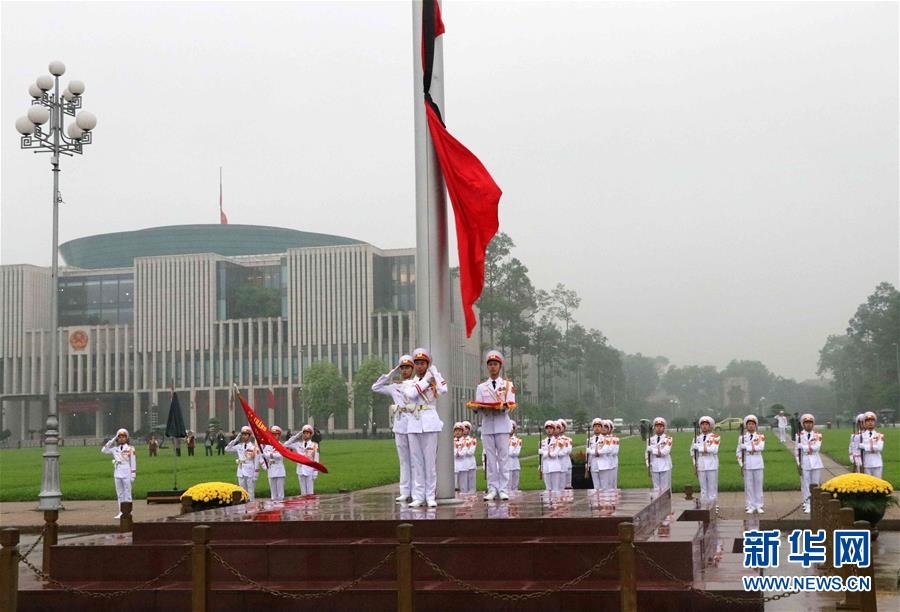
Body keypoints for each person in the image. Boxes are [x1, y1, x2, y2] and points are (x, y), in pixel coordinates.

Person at [469, 350, 516, 501]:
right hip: (488, 424)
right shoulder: (482, 387)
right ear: (487, 367)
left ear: (500, 366)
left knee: (503, 457)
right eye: (490, 365)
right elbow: (478, 405)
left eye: (495, 364)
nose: (493, 367)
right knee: (490, 458)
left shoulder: (508, 385)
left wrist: (502, 407)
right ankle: (492, 488)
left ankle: (503, 488)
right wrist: (477, 408)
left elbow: (510, 405)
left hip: (502, 424)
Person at [402, 348, 447, 508]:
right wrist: (426, 380)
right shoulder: (410, 382)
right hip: (414, 423)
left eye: (423, 363)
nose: (420, 366)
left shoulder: (433, 378)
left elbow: (443, 389)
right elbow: (411, 394)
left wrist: (434, 373)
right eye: (417, 363)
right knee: (417, 462)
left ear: (428, 364)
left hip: (430, 422)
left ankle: (430, 495)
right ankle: (418, 496)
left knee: (429, 462)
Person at [372, 355, 416, 503]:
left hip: (414, 424)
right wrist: (391, 373)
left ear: (413, 369)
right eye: (402, 368)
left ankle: (416, 491)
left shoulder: (417, 384)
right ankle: (405, 491)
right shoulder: (394, 386)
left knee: (415, 460)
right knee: (404, 461)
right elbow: (375, 387)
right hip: (400, 425)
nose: (404, 371)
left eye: (407, 367)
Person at [102, 428, 136, 518]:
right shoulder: (115, 449)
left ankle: (128, 511)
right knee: (120, 493)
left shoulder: (130, 449)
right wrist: (112, 439)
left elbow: (133, 462)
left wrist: (133, 474)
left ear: (126, 438)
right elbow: (104, 450)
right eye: (119, 437)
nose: (121, 438)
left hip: (127, 472)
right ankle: (121, 511)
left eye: (123, 437)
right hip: (117, 472)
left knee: (127, 492)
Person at [737, 415, 765, 514]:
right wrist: (741, 464)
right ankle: (750, 505)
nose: (751, 426)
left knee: (758, 484)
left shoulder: (760, 436)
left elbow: (761, 447)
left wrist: (747, 447)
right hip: (747, 462)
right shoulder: (742, 438)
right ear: (746, 426)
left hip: (758, 462)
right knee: (748, 485)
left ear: (755, 425)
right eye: (749, 424)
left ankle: (759, 505)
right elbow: (738, 452)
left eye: (752, 424)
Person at [225, 426, 261, 501]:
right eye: (243, 434)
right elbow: (227, 449)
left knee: (250, 490)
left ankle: (251, 506)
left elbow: (257, 461)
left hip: (250, 470)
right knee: (242, 490)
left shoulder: (254, 447)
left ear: (249, 435)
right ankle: (243, 505)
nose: (244, 436)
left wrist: (256, 474)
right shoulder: (239, 446)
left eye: (246, 434)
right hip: (241, 470)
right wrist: (236, 439)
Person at [691, 416, 720, 507]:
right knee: (703, 487)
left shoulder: (715, 437)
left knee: (712, 487)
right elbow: (692, 452)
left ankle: (713, 506)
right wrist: (695, 464)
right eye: (702, 424)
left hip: (711, 462)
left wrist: (699, 448)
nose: (704, 426)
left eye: (706, 425)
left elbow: (713, 449)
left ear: (710, 426)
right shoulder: (696, 438)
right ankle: (704, 505)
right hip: (701, 463)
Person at [796, 414, 823, 513]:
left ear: (813, 424)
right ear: (803, 424)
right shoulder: (799, 435)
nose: (808, 425)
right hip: (805, 461)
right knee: (805, 484)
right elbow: (796, 452)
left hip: (816, 461)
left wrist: (803, 447)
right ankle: (807, 503)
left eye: (810, 423)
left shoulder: (818, 435)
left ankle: (815, 503)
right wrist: (798, 463)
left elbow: (817, 448)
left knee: (815, 483)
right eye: (806, 423)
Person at [286, 424, 320, 495]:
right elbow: (286, 445)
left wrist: (315, 473)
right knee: (303, 493)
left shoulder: (314, 445)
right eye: (304, 433)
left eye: (307, 433)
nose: (305, 435)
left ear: (311, 435)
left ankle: (310, 506)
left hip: (309, 470)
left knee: (310, 492)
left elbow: (316, 460)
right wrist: (296, 436)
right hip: (300, 470)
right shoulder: (298, 444)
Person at [646, 417, 673, 493]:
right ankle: (658, 504)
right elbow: (647, 454)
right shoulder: (650, 440)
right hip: (654, 465)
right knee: (656, 488)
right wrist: (648, 465)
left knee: (665, 489)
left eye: (661, 426)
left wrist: (653, 450)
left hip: (665, 466)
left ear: (664, 427)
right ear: (654, 428)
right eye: (657, 426)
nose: (659, 428)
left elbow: (665, 451)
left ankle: (666, 504)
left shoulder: (668, 438)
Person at [261, 425, 287, 501]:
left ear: (279, 435)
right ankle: (274, 509)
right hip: (271, 469)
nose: (274, 436)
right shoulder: (267, 447)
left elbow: (279, 456)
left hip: (279, 470)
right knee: (273, 494)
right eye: (272, 434)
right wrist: (264, 464)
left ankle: (280, 509)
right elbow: (262, 456)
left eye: (275, 434)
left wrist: (269, 455)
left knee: (280, 494)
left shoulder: (281, 445)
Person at [539, 420, 563, 491]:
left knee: (555, 489)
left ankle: (556, 502)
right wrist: (541, 466)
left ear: (554, 430)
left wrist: (544, 453)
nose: (549, 430)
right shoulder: (542, 442)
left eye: (551, 428)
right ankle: (549, 502)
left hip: (555, 467)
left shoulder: (558, 441)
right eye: (547, 428)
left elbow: (554, 454)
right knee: (548, 488)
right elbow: (541, 457)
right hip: (546, 467)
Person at [859, 411, 884, 478]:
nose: (870, 422)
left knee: (878, 484)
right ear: (864, 423)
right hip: (866, 463)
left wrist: (864, 447)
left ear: (875, 423)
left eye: (872, 421)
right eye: (868, 421)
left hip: (877, 463)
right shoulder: (861, 436)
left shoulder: (879, 435)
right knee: (867, 485)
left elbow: (879, 448)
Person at [461, 421, 477, 493]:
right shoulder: (457, 440)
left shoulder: (472, 440)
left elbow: (471, 452)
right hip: (461, 463)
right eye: (463, 429)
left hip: (470, 463)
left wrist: (462, 452)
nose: (465, 430)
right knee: (462, 482)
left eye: (466, 429)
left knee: (471, 481)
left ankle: (472, 493)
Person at [557, 419, 573, 489]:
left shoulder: (567, 439)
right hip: (556, 463)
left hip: (566, 462)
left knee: (567, 484)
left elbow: (568, 451)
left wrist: (557, 453)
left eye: (562, 426)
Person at [507, 421, 522, 492]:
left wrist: (509, 451)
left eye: (512, 428)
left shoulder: (517, 440)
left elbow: (516, 453)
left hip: (515, 464)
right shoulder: (502, 440)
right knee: (507, 485)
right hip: (505, 465)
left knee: (515, 485)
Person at [453, 423, 466, 492]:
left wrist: (459, 453)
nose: (457, 432)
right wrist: (455, 453)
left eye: (459, 430)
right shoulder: (451, 441)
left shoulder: (465, 441)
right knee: (454, 483)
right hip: (455, 463)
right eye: (456, 430)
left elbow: (465, 451)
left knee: (463, 483)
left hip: (463, 463)